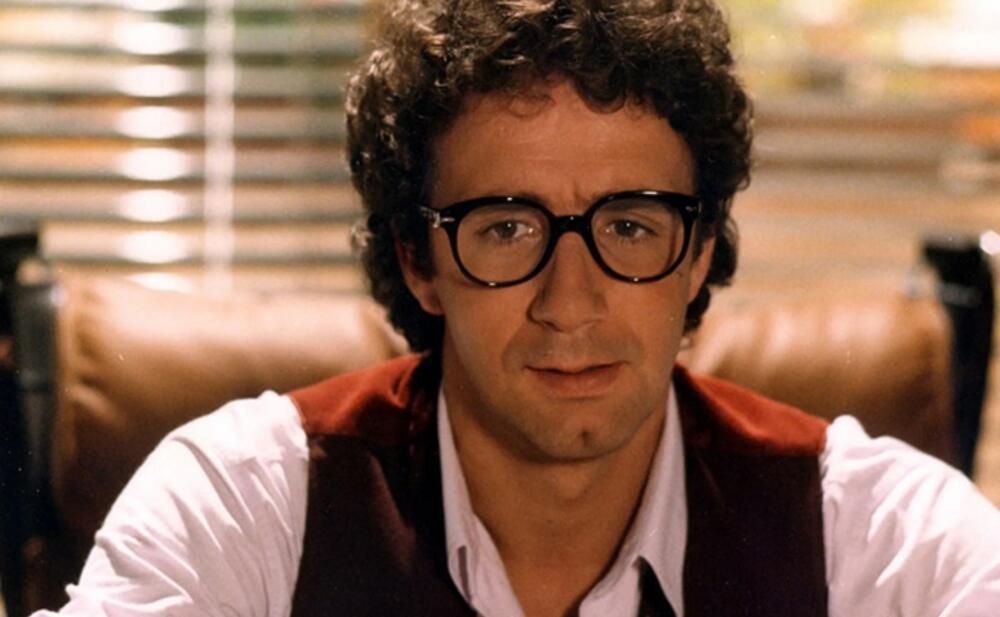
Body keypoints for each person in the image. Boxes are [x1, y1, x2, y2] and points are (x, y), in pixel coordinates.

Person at [39, 1, 1000, 616]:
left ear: (701, 248)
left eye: (630, 226)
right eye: (506, 228)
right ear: (418, 259)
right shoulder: (241, 506)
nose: (569, 304)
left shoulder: (886, 541)